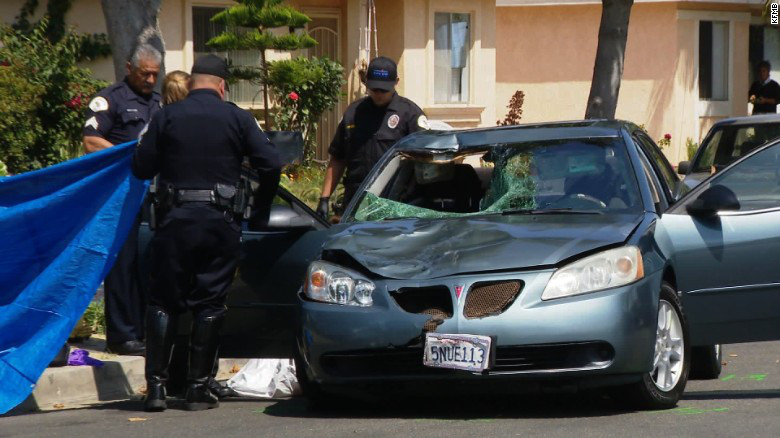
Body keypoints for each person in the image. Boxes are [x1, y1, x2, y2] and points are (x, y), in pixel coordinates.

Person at [132, 54, 282, 412]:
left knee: (163, 301)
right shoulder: (237, 117)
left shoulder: (166, 115)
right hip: (219, 222)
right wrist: (259, 207)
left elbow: (140, 167)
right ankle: (197, 389)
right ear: (222, 85)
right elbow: (272, 163)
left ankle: (156, 389)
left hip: (174, 220)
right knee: (210, 302)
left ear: (193, 81)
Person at [83, 43, 162, 355]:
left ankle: (145, 330)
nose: (150, 80)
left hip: (152, 194)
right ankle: (122, 334)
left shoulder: (158, 103)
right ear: (129, 68)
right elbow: (91, 141)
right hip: (119, 194)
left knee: (147, 262)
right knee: (123, 263)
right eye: (145, 74)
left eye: (155, 75)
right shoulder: (110, 99)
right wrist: (130, 156)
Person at [317, 56, 428, 219]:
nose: (379, 94)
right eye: (374, 89)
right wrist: (324, 198)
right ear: (366, 83)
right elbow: (338, 157)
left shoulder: (410, 114)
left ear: (396, 82)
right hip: (356, 201)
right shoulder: (353, 113)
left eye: (384, 90)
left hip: (395, 205)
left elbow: (426, 162)